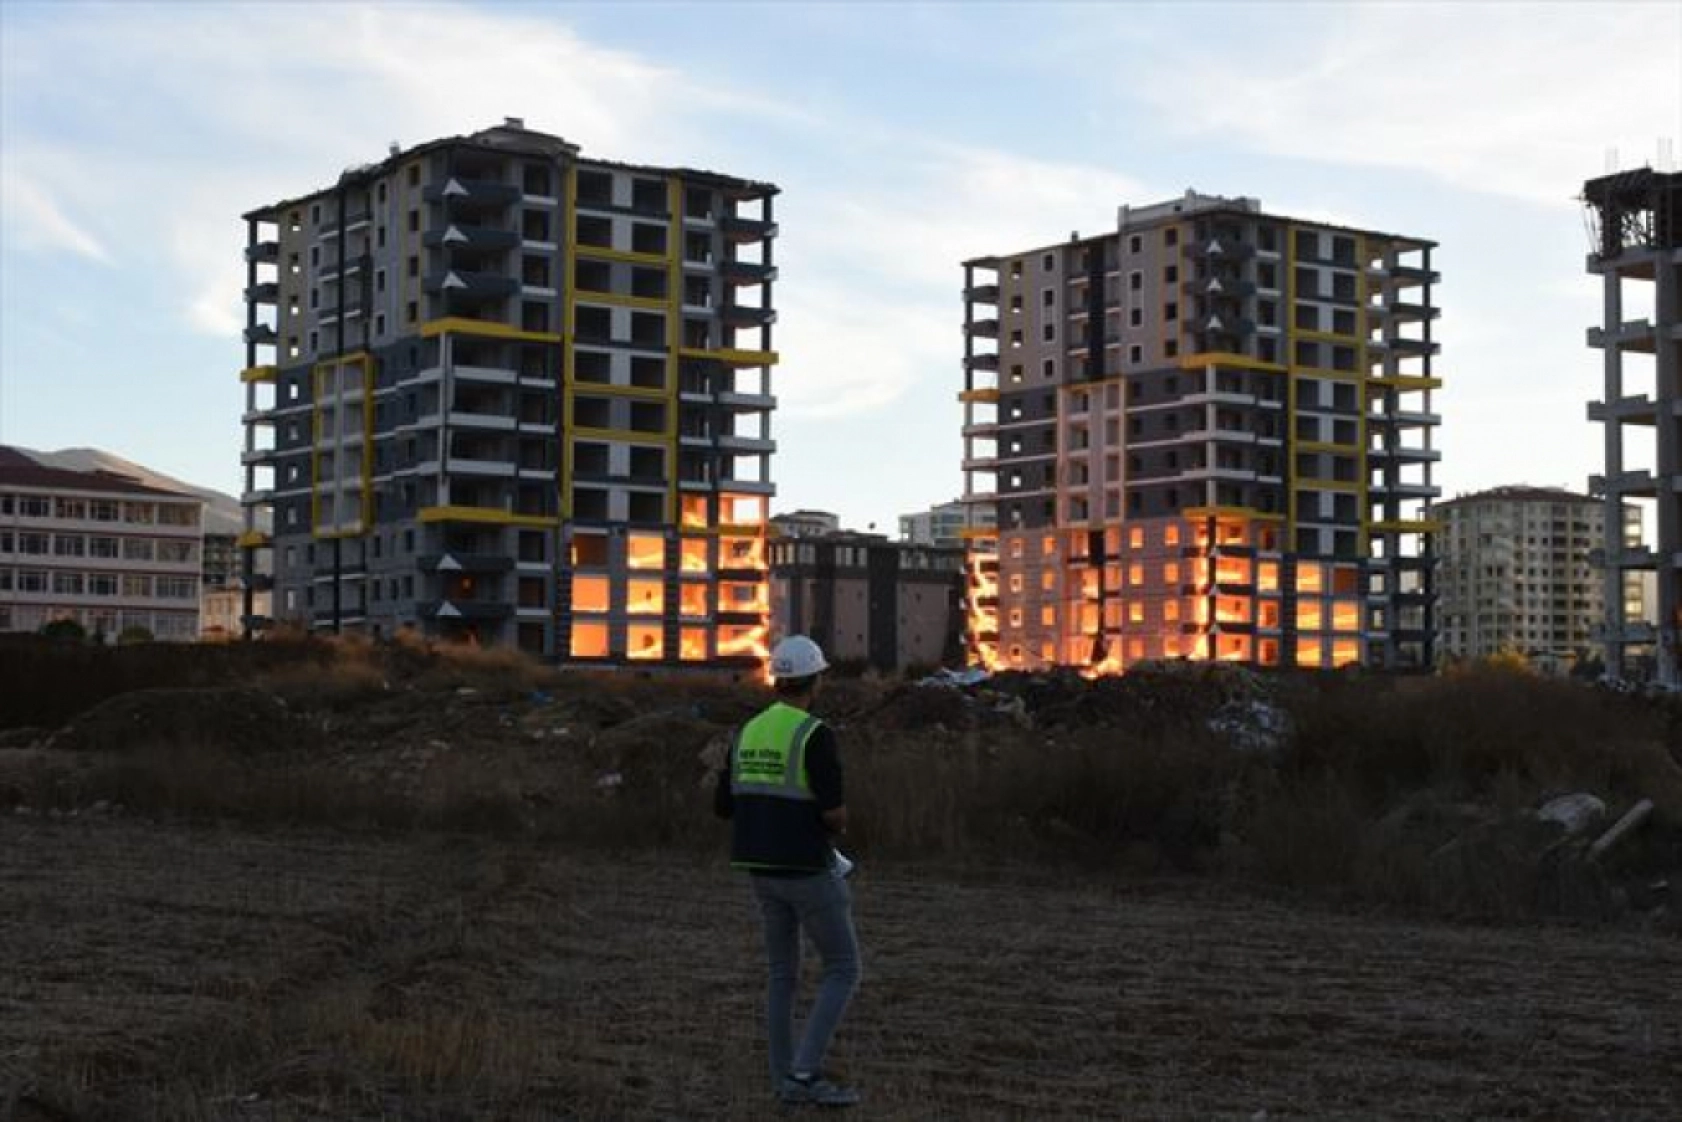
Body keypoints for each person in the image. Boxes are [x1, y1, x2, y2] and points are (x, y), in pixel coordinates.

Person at [715, 635, 862, 1108]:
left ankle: (784, 1078)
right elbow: (834, 814)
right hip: (806, 869)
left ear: (778, 679)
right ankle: (803, 1072)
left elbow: (723, 805)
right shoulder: (813, 734)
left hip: (759, 867)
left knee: (783, 974)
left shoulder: (746, 732)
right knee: (843, 967)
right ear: (815, 681)